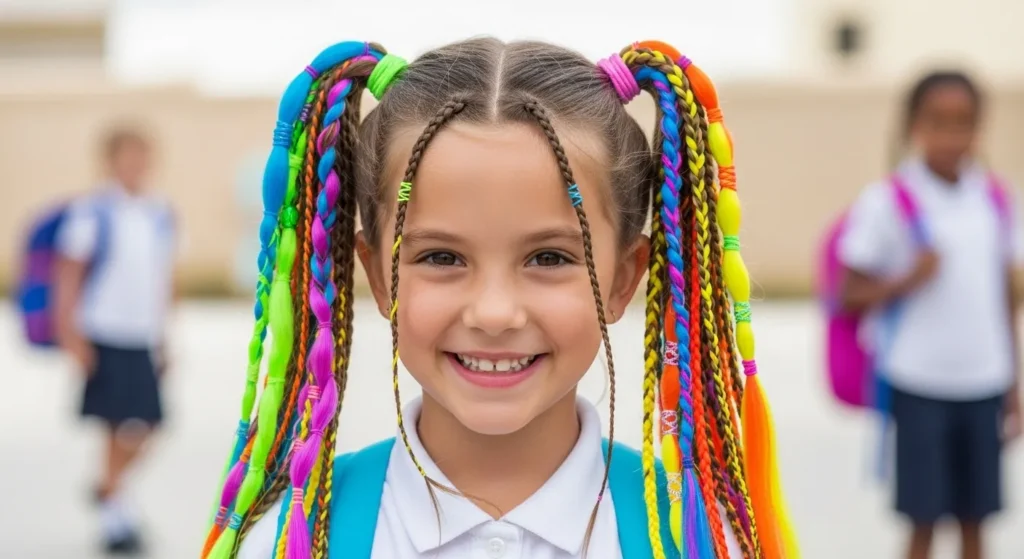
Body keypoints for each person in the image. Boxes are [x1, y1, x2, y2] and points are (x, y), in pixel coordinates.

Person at [201, 39, 800, 559]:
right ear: (379, 277)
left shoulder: (701, 540)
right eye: (441, 257)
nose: (493, 312)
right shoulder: (288, 539)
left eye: (549, 258)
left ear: (624, 280)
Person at [838, 71, 1023, 559]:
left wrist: (1014, 384)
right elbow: (849, 290)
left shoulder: (995, 199)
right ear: (913, 126)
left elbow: (1004, 297)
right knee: (922, 522)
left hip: (984, 384)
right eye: (937, 122)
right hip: (919, 385)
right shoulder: (890, 201)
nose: (951, 136)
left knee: (976, 522)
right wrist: (907, 279)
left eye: (964, 122)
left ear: (979, 127)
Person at [53, 126, 178, 554]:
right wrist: (70, 335)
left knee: (148, 424)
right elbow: (67, 274)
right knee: (112, 428)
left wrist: (164, 338)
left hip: (141, 336)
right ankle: (115, 519)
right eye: (127, 156)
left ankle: (106, 488)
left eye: (141, 156)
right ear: (109, 161)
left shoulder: (159, 212)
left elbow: (162, 280)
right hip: (103, 333)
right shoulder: (92, 211)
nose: (135, 165)